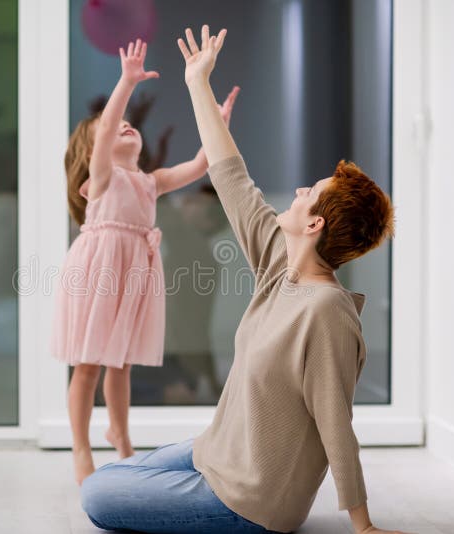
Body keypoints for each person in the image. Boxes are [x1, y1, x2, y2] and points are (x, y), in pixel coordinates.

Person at [80, 26, 409, 534]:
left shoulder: (326, 312)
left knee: (97, 495)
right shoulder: (281, 264)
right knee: (116, 473)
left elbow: (336, 424)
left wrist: (362, 524)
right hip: (215, 453)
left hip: (249, 500)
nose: (299, 189)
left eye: (310, 191)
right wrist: (197, 83)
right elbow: (232, 177)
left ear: (316, 223)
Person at [51, 38, 239, 485]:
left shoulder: (149, 182)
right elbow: (111, 120)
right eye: (114, 128)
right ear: (94, 148)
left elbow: (199, 165)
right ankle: (81, 446)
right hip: (96, 273)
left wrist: (217, 120)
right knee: (88, 365)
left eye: (129, 125)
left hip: (133, 274)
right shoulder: (101, 178)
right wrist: (126, 82)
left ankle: (121, 435)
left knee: (121, 363)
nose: (126, 126)